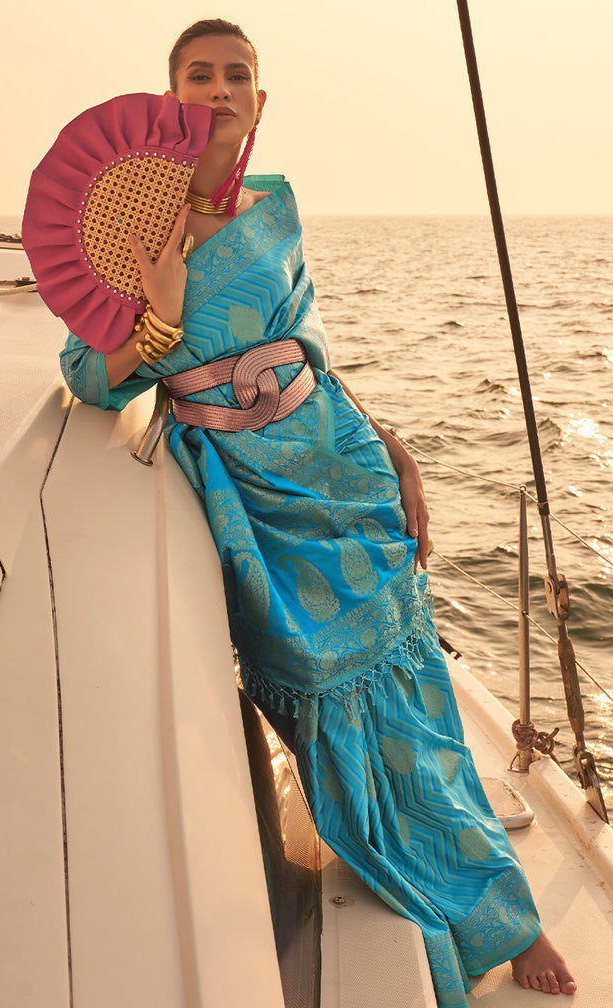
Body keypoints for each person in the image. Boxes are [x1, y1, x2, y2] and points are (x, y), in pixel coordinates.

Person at [59, 18, 576, 1007]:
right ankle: (434, 892)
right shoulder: (128, 226)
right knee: (327, 717)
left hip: (345, 472)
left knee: (420, 701)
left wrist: (397, 451)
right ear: (168, 97)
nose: (218, 90)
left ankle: (505, 914)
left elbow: (312, 352)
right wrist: (157, 309)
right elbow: (87, 376)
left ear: (260, 98)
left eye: (237, 76)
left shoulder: (278, 206)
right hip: (262, 515)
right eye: (199, 75)